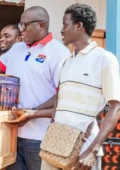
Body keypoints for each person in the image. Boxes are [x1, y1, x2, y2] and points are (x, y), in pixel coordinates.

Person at [0, 6, 71, 170]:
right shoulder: (17, 48)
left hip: (41, 138)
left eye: (25, 25)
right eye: (20, 24)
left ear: (42, 25)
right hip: (10, 134)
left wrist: (32, 113)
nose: (21, 30)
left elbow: (63, 96)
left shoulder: (59, 53)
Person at [41, 4, 120, 170]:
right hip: (55, 147)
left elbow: (116, 107)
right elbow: (59, 100)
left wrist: (93, 150)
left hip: (84, 151)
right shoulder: (64, 62)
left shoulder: (104, 59)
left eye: (65, 24)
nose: (61, 30)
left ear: (79, 26)